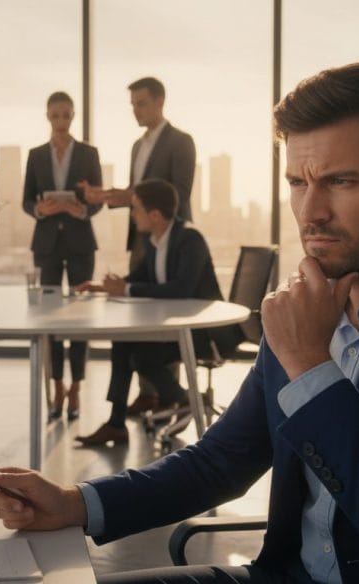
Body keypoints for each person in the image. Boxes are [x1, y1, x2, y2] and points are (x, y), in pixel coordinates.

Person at [0, 62, 359, 584]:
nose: (310, 211)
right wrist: (74, 503)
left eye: (341, 180)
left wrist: (311, 366)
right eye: (297, 182)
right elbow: (220, 462)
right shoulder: (305, 305)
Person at [73, 179, 239, 446]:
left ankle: (185, 399)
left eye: (135, 208)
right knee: (124, 343)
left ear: (155, 215)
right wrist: (105, 287)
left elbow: (181, 288)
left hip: (205, 334)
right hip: (177, 330)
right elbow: (138, 278)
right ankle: (116, 424)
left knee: (140, 356)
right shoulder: (152, 241)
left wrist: (126, 289)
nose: (132, 214)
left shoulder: (189, 239)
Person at [83, 77, 197, 415]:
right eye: (132, 104)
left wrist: (129, 195)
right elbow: (138, 193)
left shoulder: (181, 141)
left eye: (141, 103)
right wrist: (107, 197)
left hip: (169, 232)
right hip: (142, 236)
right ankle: (148, 393)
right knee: (139, 310)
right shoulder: (137, 145)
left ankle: (168, 395)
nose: (136, 109)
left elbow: (177, 191)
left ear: (160, 101)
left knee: (164, 313)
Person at [22, 91, 103, 421]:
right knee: (50, 319)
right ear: (47, 116)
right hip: (46, 244)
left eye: (66, 115)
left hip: (81, 240)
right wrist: (40, 209)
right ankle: (56, 385)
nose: (61, 121)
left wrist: (81, 209)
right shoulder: (36, 155)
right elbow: (27, 199)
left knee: (80, 318)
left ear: (73, 116)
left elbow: (97, 198)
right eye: (55, 115)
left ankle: (76, 387)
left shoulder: (88, 153)